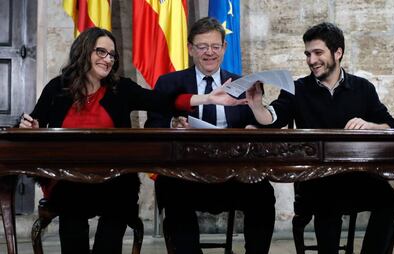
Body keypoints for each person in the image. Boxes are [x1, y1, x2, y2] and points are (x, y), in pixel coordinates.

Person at [19, 27, 246, 254]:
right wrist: (30, 126)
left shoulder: (121, 88)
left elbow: (163, 101)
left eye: (111, 55)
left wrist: (207, 97)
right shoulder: (58, 88)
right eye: (101, 52)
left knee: (116, 206)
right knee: (72, 209)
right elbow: (33, 122)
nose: (107, 60)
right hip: (69, 178)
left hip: (113, 178)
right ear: (84, 51)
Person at [246, 22, 394, 254]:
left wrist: (370, 125)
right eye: (308, 54)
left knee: (390, 200)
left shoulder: (363, 88)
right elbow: (274, 117)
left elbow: (390, 126)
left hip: (356, 175)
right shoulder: (297, 88)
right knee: (327, 203)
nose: (311, 60)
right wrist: (257, 106)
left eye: (318, 53)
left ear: (338, 53)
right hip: (316, 177)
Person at [145, 17, 276, 254]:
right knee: (171, 191)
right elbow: (152, 125)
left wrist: (254, 129)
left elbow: (259, 124)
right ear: (190, 48)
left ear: (224, 48)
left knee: (263, 193)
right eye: (202, 46)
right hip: (186, 174)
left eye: (215, 46)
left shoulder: (242, 83)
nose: (209, 53)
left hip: (233, 174)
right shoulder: (169, 83)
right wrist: (172, 124)